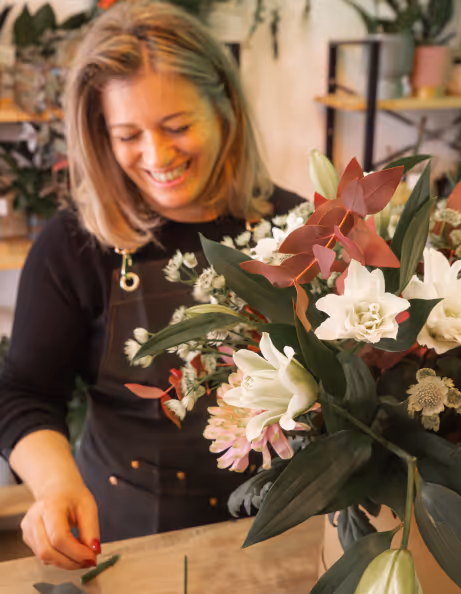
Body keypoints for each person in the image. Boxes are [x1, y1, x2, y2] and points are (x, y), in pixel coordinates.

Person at [0, 0, 303, 571]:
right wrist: (54, 485)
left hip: (283, 528)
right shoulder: (73, 246)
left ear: (225, 109)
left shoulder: (298, 228)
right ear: (99, 136)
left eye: (177, 126)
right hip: (128, 538)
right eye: (127, 134)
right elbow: (24, 395)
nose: (157, 155)